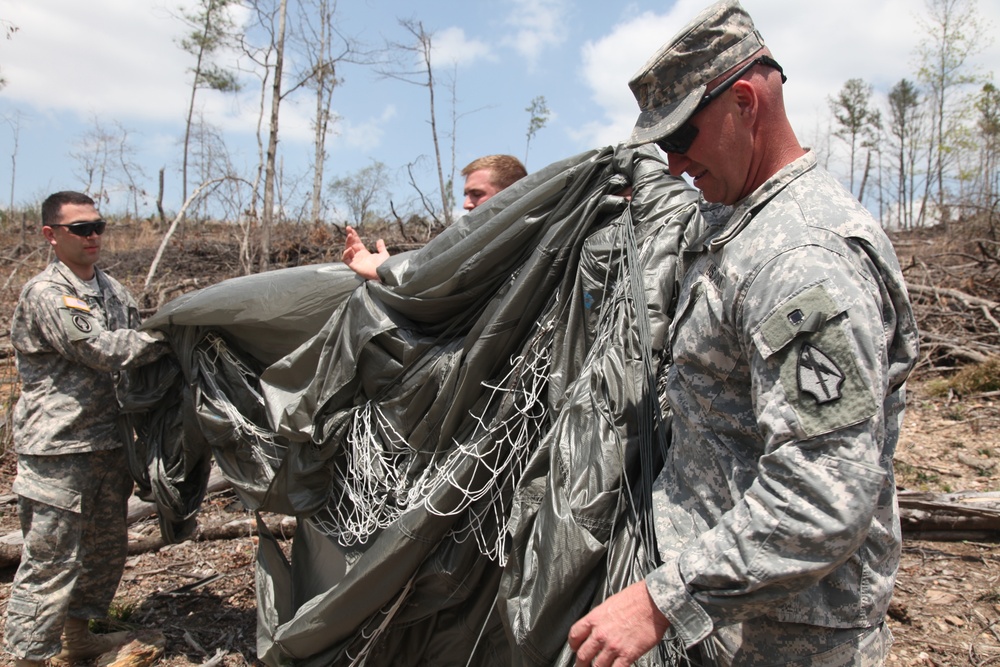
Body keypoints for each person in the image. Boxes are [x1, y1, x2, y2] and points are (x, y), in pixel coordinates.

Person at [568, 2, 919, 666]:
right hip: (722, 617)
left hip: (784, 636)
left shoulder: (801, 260)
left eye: (681, 140)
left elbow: (822, 492)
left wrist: (660, 599)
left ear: (746, 104)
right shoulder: (733, 217)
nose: (675, 165)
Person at [5, 191, 173, 667]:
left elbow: (136, 353)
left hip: (108, 445)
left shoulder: (113, 291)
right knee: (50, 561)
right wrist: (172, 333)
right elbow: (103, 349)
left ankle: (74, 641)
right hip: (59, 451)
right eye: (80, 228)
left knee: (102, 554)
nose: (93, 235)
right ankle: (27, 658)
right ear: (51, 236)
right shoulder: (47, 293)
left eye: (98, 225)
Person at [342, 154, 527, 280]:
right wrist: (385, 270)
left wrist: (387, 271)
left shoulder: (531, 243)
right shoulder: (466, 244)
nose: (466, 204)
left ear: (510, 193)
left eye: (477, 194)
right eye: (466, 195)